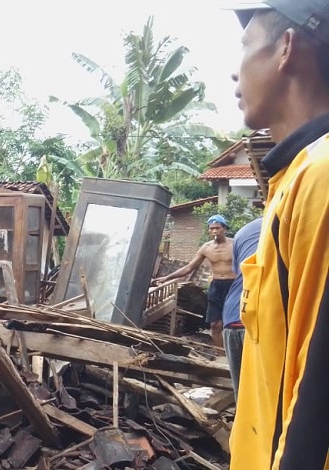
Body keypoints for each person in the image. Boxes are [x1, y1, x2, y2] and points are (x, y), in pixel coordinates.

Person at [227, 1, 329, 468]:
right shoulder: (293, 178)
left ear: (286, 47)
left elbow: (317, 395)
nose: (235, 74)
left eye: (246, 45)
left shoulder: (321, 176)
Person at [153, 214, 235, 347]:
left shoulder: (235, 244)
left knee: (234, 323)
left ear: (224, 228)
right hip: (216, 286)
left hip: (233, 286)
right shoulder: (206, 248)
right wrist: (167, 278)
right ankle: (221, 354)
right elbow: (189, 267)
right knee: (215, 324)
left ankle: (237, 354)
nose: (214, 231)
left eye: (218, 228)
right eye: (212, 228)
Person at [221, 216, 262, 403]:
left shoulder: (243, 231)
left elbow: (240, 272)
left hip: (232, 316)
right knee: (266, 396)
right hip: (260, 321)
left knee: (243, 397)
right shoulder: (295, 222)